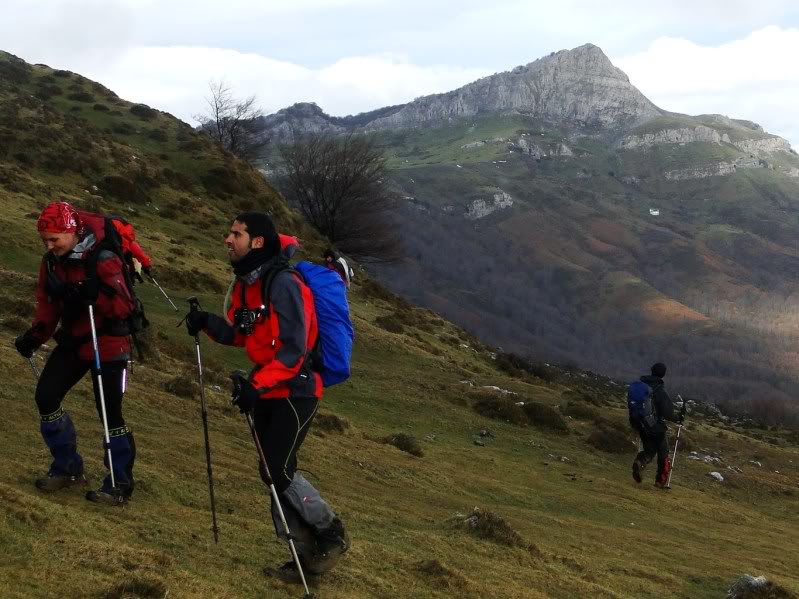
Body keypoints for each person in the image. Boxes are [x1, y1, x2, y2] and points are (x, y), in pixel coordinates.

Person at [184, 212, 349, 582]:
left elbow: (293, 351)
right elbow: (245, 336)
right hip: (267, 388)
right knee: (272, 472)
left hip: (296, 390)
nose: (227, 239)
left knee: (278, 470)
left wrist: (256, 386)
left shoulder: (283, 283)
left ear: (257, 241)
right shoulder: (246, 283)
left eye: (236, 234)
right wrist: (209, 323)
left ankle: (330, 534)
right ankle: (306, 556)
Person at [13, 201, 137, 504]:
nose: (50, 245)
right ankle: (67, 467)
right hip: (74, 340)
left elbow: (125, 306)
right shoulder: (52, 262)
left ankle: (119, 483)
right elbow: (48, 303)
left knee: (110, 413)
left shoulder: (103, 258)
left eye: (55, 238)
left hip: (107, 341)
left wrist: (96, 295)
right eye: (45, 240)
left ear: (71, 231)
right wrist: (35, 336)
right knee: (46, 396)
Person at [631, 362, 677, 488]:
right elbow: (668, 413)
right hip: (655, 426)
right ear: (663, 374)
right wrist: (678, 418)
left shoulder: (641, 385)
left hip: (640, 423)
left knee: (650, 449)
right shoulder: (659, 390)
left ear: (651, 371)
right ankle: (660, 481)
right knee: (663, 451)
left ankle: (639, 462)